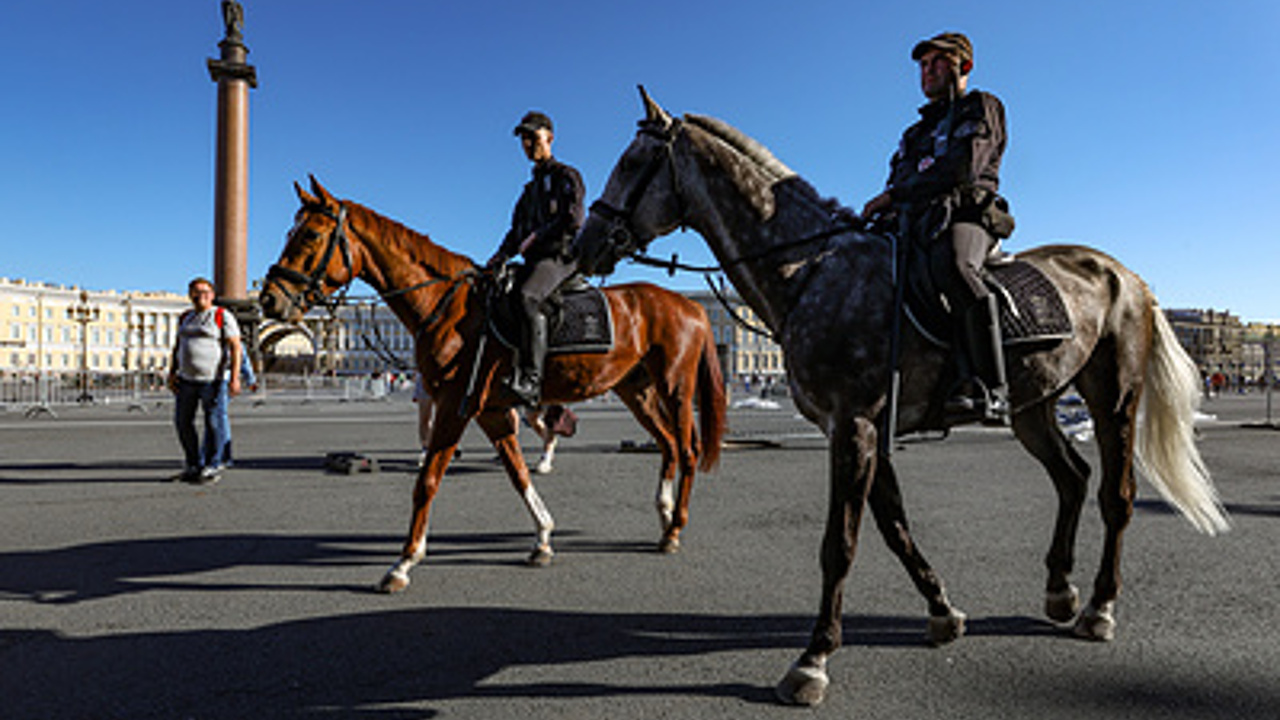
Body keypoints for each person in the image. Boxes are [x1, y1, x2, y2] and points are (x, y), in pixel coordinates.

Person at [860, 31, 1015, 422]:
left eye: (937, 63)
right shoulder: (914, 133)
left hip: (967, 214)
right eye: (923, 66)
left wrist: (896, 197)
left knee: (955, 268)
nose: (927, 72)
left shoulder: (980, 106)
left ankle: (992, 388)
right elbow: (895, 182)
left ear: (964, 66)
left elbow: (963, 167)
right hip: (916, 221)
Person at [486, 110, 586, 406]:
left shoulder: (566, 176)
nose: (528, 144)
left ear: (550, 138)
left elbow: (574, 219)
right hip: (535, 260)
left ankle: (530, 380)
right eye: (524, 139)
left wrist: (538, 236)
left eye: (533, 136)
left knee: (528, 296)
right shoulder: (529, 192)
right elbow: (515, 232)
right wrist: (497, 259)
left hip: (562, 256)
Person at [167, 277, 242, 483]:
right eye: (196, 292)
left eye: (205, 292)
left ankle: (213, 464)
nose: (201, 296)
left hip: (213, 380)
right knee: (182, 422)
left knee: (213, 423)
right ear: (190, 295)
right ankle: (193, 463)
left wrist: (234, 378)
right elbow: (177, 347)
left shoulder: (221, 316)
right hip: (186, 380)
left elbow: (236, 347)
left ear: (212, 295)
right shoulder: (185, 318)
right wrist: (172, 372)